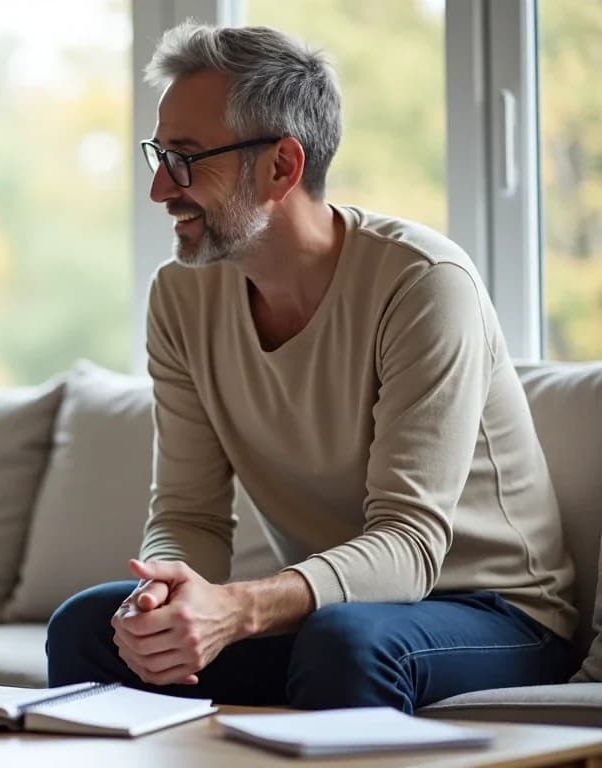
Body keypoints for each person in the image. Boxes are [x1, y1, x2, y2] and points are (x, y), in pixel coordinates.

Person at [46, 22, 576, 712]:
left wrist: (237, 610)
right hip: (334, 612)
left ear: (281, 167)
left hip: (494, 613)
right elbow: (189, 514)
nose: (158, 189)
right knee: (91, 628)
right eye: (159, 153)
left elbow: (410, 545)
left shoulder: (423, 283)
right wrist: (167, 594)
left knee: (345, 643)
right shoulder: (180, 296)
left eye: (185, 158)